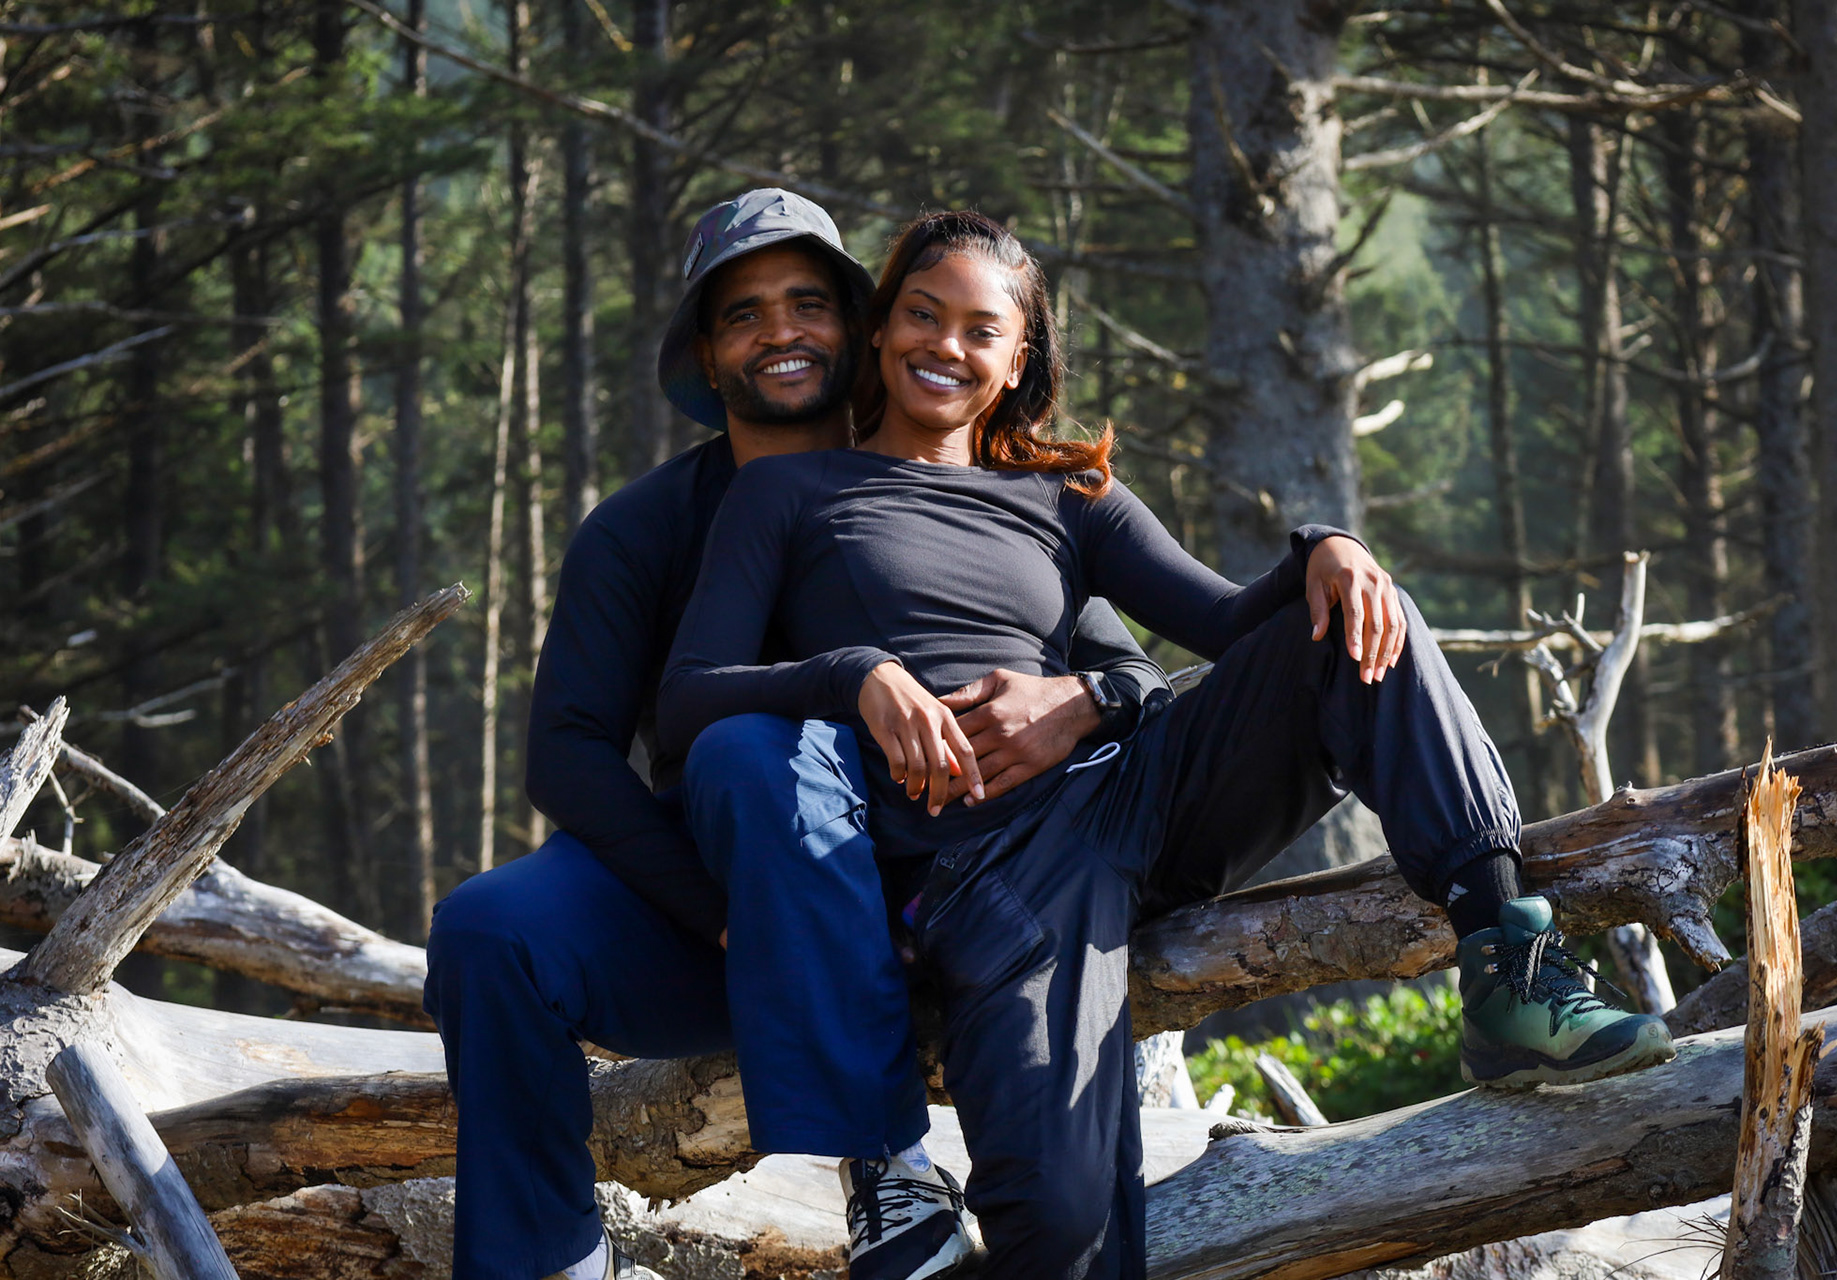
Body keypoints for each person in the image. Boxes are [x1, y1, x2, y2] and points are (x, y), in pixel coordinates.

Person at [661, 210, 1678, 1279]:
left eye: (979, 329)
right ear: (879, 327)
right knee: (1062, 1226)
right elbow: (690, 698)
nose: (945, 346)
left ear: (1019, 357)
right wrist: (856, 674)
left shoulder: (1066, 494)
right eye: (922, 314)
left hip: (1135, 798)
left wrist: (1325, 547)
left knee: (1355, 614)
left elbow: (1231, 621)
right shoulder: (789, 493)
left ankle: (1508, 963)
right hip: (986, 876)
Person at [421, 189, 1167, 1280]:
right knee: (489, 928)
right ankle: (550, 1260)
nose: (780, 331)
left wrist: (1087, 700)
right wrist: (717, 907)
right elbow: (566, 752)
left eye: (808, 303)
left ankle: (888, 1173)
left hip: (964, 893)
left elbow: (1125, 666)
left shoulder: (955, 483)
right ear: (706, 353)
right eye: (743, 314)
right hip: (722, 906)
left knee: (761, 749)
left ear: (858, 324)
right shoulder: (640, 529)